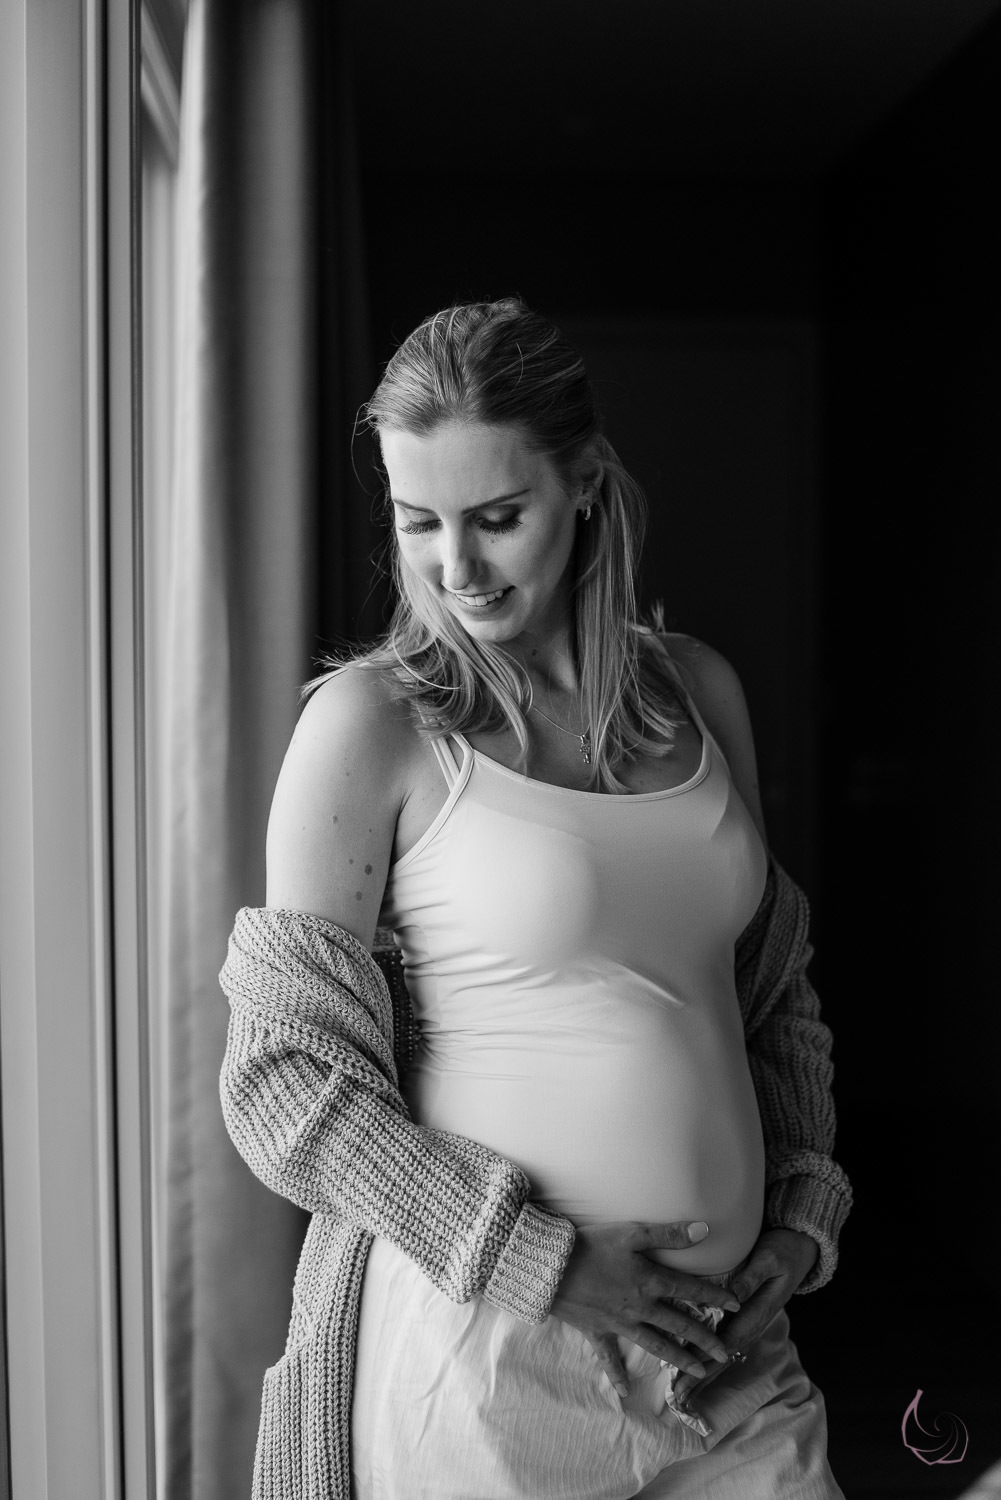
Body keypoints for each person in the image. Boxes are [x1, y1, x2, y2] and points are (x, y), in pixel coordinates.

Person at [219, 298, 852, 1499]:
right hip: (488, 1372)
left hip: (727, 1356)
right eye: (418, 523)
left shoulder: (700, 694)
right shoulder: (370, 727)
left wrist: (798, 1211)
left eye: (497, 518)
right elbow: (282, 1079)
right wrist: (539, 1261)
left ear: (585, 486)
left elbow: (768, 1000)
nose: (455, 569)